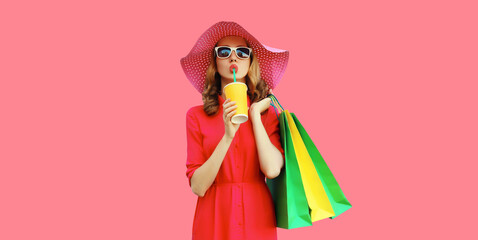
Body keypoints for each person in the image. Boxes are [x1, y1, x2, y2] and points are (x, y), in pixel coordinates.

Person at [180, 21, 289, 240]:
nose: (233, 58)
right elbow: (198, 187)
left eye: (241, 52)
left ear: (250, 61)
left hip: (257, 217)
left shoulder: (267, 114)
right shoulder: (196, 116)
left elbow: (272, 170)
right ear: (215, 62)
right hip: (213, 219)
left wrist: (255, 115)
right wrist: (228, 136)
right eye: (224, 52)